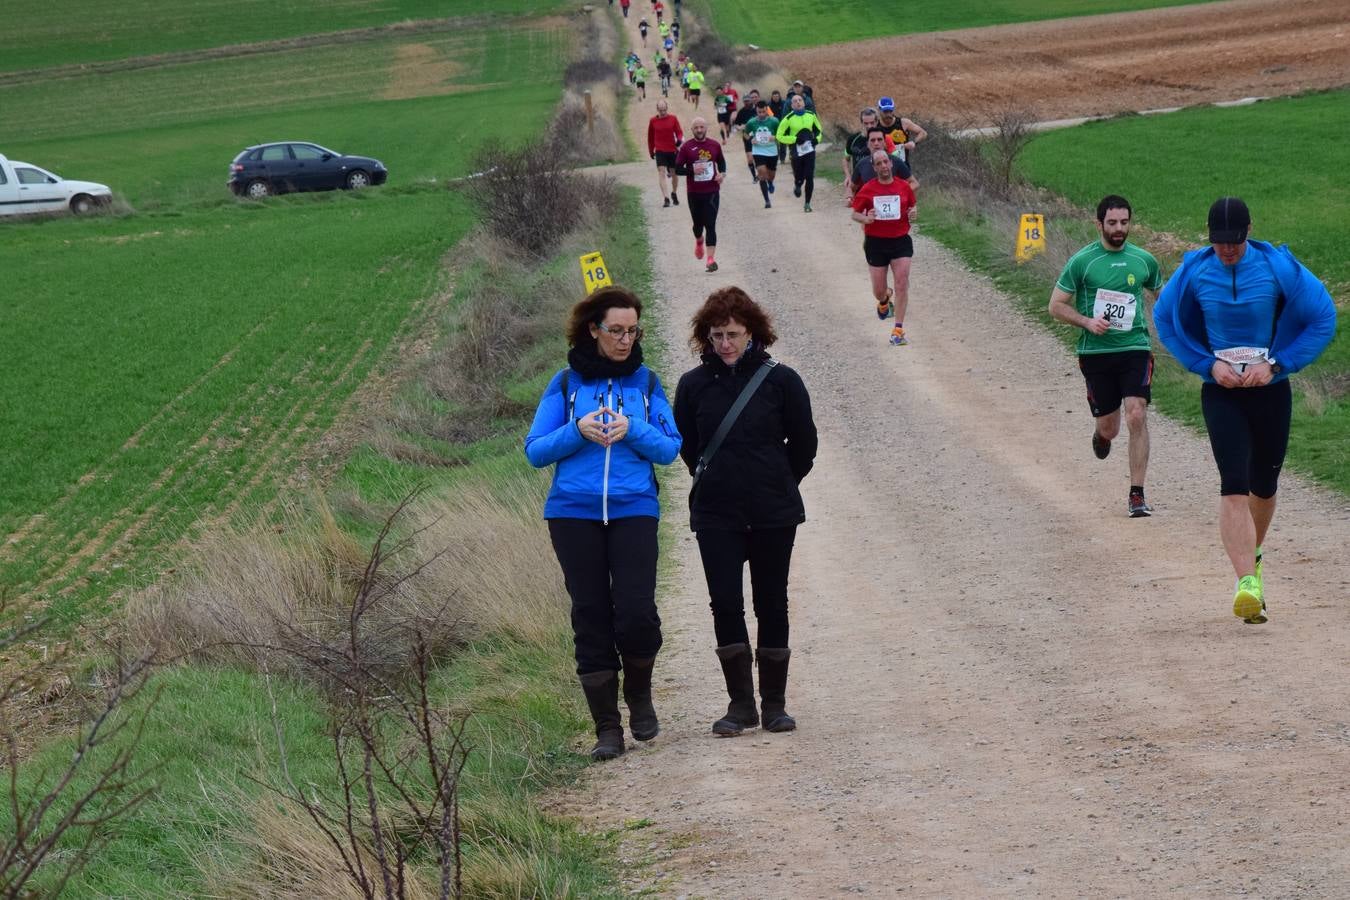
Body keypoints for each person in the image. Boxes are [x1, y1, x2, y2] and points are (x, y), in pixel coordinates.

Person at [1154, 197, 1336, 624]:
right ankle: (1246, 585)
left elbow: (1323, 317)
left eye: (1234, 242)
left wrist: (1275, 365)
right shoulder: (1195, 271)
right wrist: (1207, 364)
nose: (1227, 250)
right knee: (1233, 483)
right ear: (1209, 236)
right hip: (1221, 392)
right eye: (1219, 242)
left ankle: (1252, 555)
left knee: (1264, 485)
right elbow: (1164, 319)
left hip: (1271, 391)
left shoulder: (1277, 267)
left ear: (1249, 231)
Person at [524, 286, 683, 760]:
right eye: (615, 330)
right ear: (593, 329)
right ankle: (607, 728)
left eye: (632, 331)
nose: (625, 340)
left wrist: (633, 429)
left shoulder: (648, 384)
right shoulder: (566, 385)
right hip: (573, 512)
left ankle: (639, 694)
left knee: (635, 611)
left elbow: (671, 449)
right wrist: (578, 431)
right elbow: (535, 450)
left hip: (635, 507)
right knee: (590, 614)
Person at [673, 287, 818, 737]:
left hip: (773, 512)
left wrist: (775, 480)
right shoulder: (692, 385)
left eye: (733, 334)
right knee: (725, 604)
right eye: (716, 336)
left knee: (771, 602)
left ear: (752, 332)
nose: (725, 344)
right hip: (717, 514)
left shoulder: (783, 380)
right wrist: (724, 481)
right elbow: (689, 447)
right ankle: (740, 705)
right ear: (705, 336)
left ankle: (774, 704)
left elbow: (805, 444)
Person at [1047, 195, 1164, 517]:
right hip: (1096, 353)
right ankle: (1101, 434)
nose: (1119, 229)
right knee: (1111, 428)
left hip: (1135, 348)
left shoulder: (1143, 260)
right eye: (1112, 223)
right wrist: (1087, 321)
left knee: (1137, 413)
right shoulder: (1083, 261)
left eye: (1124, 223)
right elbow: (1055, 305)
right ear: (1099, 224)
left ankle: (1137, 494)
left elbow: (1162, 297)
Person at [850, 149, 917, 345]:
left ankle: (898, 330)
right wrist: (866, 218)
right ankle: (885, 299)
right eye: (878, 164)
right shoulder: (868, 188)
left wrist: (913, 213)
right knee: (878, 290)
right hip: (876, 242)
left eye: (885, 162)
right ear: (874, 167)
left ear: (891, 163)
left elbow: (912, 206)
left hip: (900, 241)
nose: (883, 166)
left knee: (902, 283)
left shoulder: (903, 186)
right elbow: (855, 213)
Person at [673, 117, 726, 272]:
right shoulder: (686, 147)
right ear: (692, 130)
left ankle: (710, 260)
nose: (699, 130)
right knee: (698, 225)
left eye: (702, 127)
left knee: (710, 224)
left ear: (706, 128)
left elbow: (721, 163)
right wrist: (692, 170)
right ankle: (698, 240)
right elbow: (677, 169)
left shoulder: (715, 145)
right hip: (694, 193)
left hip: (712, 192)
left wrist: (722, 174)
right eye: (696, 127)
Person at [775, 94, 823, 213]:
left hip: (809, 151)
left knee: (810, 176)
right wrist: (794, 139)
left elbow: (819, 130)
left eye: (800, 100)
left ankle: (807, 203)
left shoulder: (811, 115)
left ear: (803, 102)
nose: (798, 102)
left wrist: (816, 140)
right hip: (796, 152)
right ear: (792, 105)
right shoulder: (788, 119)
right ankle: (797, 184)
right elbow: (779, 136)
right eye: (795, 101)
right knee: (799, 175)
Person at [848, 127, 915, 194]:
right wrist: (849, 197)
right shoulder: (862, 164)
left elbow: (914, 183)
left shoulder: (896, 161)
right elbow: (851, 188)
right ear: (867, 144)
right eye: (872, 140)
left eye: (879, 140)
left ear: (885, 143)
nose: (876, 143)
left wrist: (899, 194)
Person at [647, 99, 683, 208]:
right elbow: (650, 137)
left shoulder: (673, 118)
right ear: (657, 109)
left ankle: (674, 192)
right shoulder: (653, 121)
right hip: (660, 150)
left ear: (667, 108)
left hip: (672, 149)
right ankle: (666, 198)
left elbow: (679, 132)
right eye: (660, 110)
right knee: (661, 172)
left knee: (674, 174)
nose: (662, 112)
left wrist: (679, 140)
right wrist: (651, 150)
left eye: (664, 109)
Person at [746, 100, 780, 208]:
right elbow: (745, 134)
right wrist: (751, 139)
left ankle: (770, 182)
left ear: (767, 110)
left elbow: (781, 134)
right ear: (756, 111)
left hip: (772, 152)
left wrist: (775, 137)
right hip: (758, 151)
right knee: (762, 174)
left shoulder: (774, 121)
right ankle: (767, 200)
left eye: (763, 112)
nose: (761, 114)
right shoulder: (751, 122)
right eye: (759, 112)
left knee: (771, 175)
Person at [876, 97, 927, 167]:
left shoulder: (903, 123)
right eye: (885, 112)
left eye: (890, 111)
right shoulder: (875, 127)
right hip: (883, 167)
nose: (888, 115)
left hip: (902, 166)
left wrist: (914, 142)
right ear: (879, 110)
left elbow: (923, 133)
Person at [731, 91, 761, 179]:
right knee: (750, 158)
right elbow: (736, 125)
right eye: (745, 101)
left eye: (748, 100)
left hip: (758, 135)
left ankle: (760, 173)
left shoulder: (757, 109)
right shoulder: (741, 111)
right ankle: (754, 176)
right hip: (747, 136)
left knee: (758, 156)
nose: (746, 102)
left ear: (751, 100)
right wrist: (740, 127)